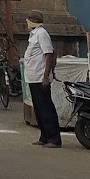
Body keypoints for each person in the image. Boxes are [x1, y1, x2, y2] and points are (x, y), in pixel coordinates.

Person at [24, 10, 61, 148]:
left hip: (40, 77)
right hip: (33, 77)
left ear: (34, 19)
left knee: (46, 108)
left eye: (29, 18)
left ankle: (54, 139)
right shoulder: (33, 35)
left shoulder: (42, 34)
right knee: (38, 109)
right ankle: (44, 136)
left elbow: (49, 55)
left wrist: (46, 76)